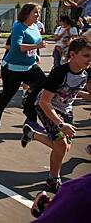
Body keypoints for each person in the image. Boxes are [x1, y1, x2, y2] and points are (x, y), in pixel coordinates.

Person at [21, 38, 90, 193]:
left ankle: (32, 134)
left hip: (66, 109)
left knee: (64, 148)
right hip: (46, 106)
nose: (89, 60)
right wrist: (60, 124)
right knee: (61, 145)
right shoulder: (59, 73)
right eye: (86, 56)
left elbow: (80, 93)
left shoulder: (87, 73)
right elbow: (45, 101)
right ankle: (53, 179)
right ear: (73, 54)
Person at [0, 3, 47, 127]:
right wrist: (36, 46)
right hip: (12, 67)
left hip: (30, 65)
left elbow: (36, 42)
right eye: (35, 12)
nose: (38, 15)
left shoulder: (35, 27)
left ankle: (30, 117)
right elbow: (17, 47)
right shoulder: (18, 27)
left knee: (43, 85)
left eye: (38, 12)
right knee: (8, 93)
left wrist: (36, 53)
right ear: (26, 13)